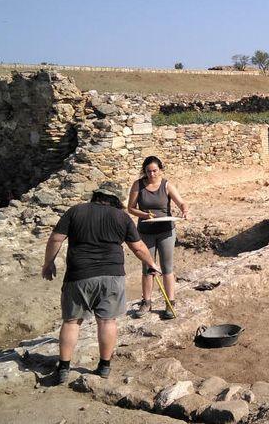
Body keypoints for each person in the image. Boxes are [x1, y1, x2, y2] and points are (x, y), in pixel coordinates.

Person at [42, 181, 160, 385]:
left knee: (71, 322)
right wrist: (151, 264)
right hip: (112, 276)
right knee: (107, 322)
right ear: (116, 199)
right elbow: (138, 247)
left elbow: (55, 239)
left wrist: (48, 263)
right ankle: (104, 366)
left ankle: (63, 368)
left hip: (79, 275)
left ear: (96, 196)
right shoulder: (121, 217)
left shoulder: (76, 211)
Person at [128, 156, 189, 320]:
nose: (152, 174)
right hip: (146, 231)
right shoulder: (138, 185)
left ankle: (170, 302)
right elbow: (131, 208)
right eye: (148, 171)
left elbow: (181, 202)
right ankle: (146, 302)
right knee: (148, 267)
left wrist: (184, 210)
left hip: (166, 231)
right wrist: (144, 215)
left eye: (155, 170)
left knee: (167, 267)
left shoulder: (167, 185)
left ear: (161, 170)